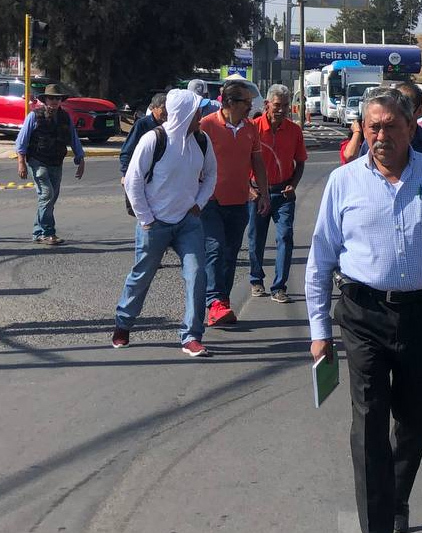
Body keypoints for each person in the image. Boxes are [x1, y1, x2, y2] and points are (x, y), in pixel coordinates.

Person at [305, 92, 422, 533]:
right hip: (363, 314)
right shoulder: (343, 182)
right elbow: (321, 259)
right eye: (373, 127)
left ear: (410, 127)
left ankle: (397, 493)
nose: (381, 136)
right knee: (368, 421)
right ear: (363, 129)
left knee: (421, 415)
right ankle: (378, 522)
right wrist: (319, 329)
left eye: (390, 127)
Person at [114, 89, 217, 357]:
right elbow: (133, 180)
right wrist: (145, 217)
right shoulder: (154, 139)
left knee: (197, 274)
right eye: (198, 112)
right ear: (184, 114)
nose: (201, 117)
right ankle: (123, 324)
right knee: (142, 275)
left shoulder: (202, 141)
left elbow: (211, 175)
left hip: (188, 222)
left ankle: (191, 336)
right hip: (154, 223)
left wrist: (199, 203)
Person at [199, 79, 270, 327]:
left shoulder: (250, 128)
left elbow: (257, 162)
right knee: (215, 249)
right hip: (210, 201)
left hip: (239, 202)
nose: (251, 106)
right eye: (246, 102)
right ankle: (213, 302)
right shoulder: (206, 126)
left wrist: (263, 193)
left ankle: (222, 303)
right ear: (230, 102)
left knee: (230, 254)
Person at [247, 84, 308, 304]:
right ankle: (256, 280)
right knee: (256, 239)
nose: (281, 110)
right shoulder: (252, 128)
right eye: (276, 105)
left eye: (285, 105)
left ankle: (279, 287)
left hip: (283, 193)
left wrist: (294, 184)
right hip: (257, 193)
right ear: (267, 105)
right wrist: (250, 188)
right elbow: (241, 162)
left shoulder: (294, 130)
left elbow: (300, 162)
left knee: (285, 237)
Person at [15, 83, 85, 245]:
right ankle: (48, 232)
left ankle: (38, 232)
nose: (54, 101)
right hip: (38, 161)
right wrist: (21, 163)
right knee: (46, 195)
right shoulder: (34, 116)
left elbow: (74, 139)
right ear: (45, 99)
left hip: (56, 162)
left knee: (50, 199)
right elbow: (21, 142)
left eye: (57, 98)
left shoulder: (65, 117)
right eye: (51, 98)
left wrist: (80, 159)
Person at [341, 83, 422, 167]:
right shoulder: (371, 143)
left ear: (419, 110)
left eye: (391, 127)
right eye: (375, 127)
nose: (382, 136)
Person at [120, 92, 167, 181]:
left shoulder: (170, 125)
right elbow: (128, 150)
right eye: (163, 108)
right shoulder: (142, 124)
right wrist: (125, 173)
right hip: (143, 174)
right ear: (154, 108)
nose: (166, 111)